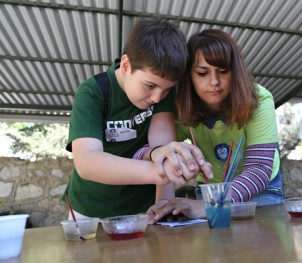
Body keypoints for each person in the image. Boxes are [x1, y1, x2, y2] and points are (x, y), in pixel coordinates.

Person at [62, 18, 213, 220]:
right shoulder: (93, 93)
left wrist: (163, 203)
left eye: (167, 89)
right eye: (150, 86)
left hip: (142, 209)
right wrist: (159, 172)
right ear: (126, 65)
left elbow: (162, 146)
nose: (157, 98)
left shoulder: (162, 93)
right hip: (90, 210)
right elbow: (88, 162)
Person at [148, 29, 283, 223]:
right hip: (210, 190)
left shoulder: (260, 99)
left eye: (223, 71)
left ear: (235, 72)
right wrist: (164, 203)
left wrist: (211, 205)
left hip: (261, 188)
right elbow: (153, 152)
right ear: (188, 76)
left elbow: (259, 168)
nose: (214, 82)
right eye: (202, 73)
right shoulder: (178, 106)